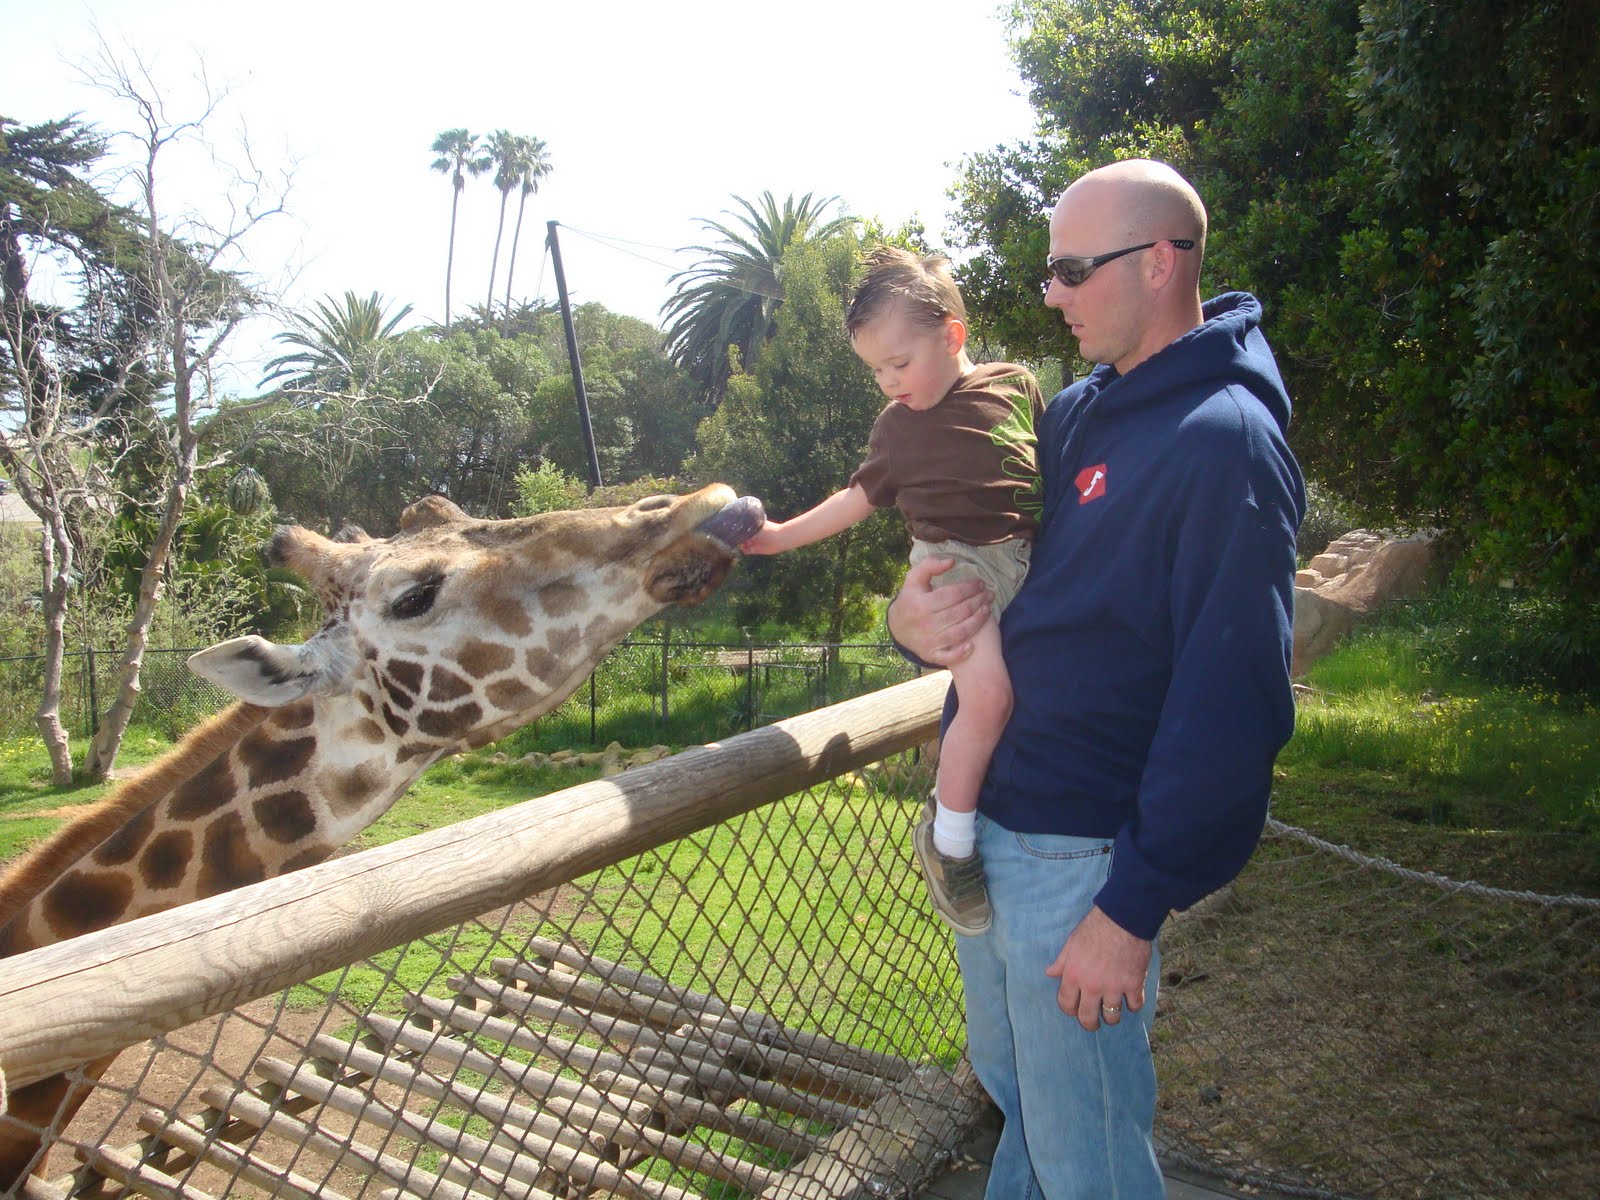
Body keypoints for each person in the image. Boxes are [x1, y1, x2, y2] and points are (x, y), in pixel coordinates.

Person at [887, 159, 1305, 1197]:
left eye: (1072, 271)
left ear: (1159, 262)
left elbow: (1232, 706)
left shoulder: (1226, 445)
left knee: (1088, 1154)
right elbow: (985, 566)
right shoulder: (1073, 413)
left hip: (1080, 865)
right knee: (1024, 1104)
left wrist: (1130, 911)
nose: (1050, 295)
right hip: (990, 833)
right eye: (1050, 272)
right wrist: (910, 624)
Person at [742, 246, 1044, 937]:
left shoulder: (1016, 385)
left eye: (898, 363)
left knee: (1012, 690)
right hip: (955, 570)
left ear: (953, 335)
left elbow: (1045, 468)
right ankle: (950, 842)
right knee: (990, 698)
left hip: (1025, 560)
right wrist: (781, 537)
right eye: (875, 370)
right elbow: (856, 499)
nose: (886, 382)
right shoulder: (898, 429)